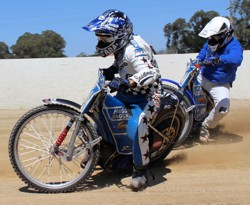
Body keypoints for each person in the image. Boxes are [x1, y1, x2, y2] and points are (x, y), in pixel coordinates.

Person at [83, 9, 161, 190]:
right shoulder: (121, 47)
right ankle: (98, 150)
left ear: (119, 35)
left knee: (137, 126)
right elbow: (122, 64)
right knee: (101, 109)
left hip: (147, 96)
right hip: (127, 93)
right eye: (100, 38)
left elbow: (150, 72)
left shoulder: (135, 49)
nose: (100, 42)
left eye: (104, 39)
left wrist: (129, 82)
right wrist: (112, 70)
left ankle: (141, 171)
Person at [196, 16, 243, 143]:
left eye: (215, 36)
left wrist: (220, 59)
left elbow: (237, 59)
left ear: (225, 34)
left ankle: (206, 126)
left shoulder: (234, 46)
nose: (212, 39)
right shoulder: (210, 41)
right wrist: (198, 60)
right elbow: (203, 51)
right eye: (211, 36)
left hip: (219, 84)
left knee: (223, 109)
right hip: (201, 76)